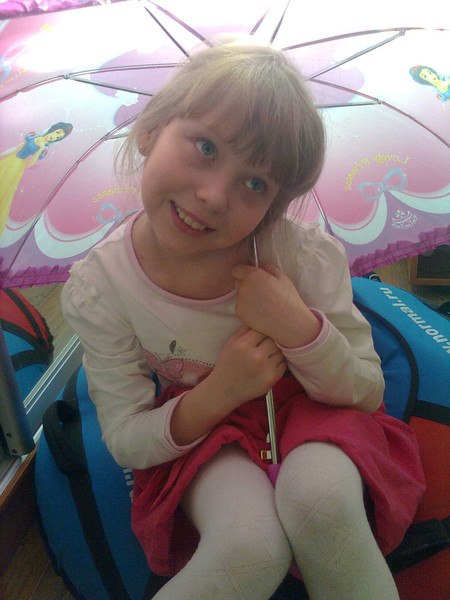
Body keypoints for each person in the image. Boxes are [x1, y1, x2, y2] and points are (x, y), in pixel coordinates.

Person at [62, 42, 425, 600]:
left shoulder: (300, 256)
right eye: (206, 147)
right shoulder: (100, 287)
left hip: (314, 407)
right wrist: (223, 389)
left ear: (274, 206)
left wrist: (297, 327)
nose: (212, 196)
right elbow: (128, 439)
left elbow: (365, 388)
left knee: (319, 500)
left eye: (255, 183)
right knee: (249, 545)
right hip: (205, 425)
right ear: (150, 129)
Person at [0, 122, 73, 235]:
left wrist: (40, 148)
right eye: (57, 133)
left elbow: (30, 163)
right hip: (9, 160)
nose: (55, 136)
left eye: (59, 137)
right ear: (53, 129)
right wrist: (2, 155)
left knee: (3, 188)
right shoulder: (34, 135)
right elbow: (17, 148)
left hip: (17, 167)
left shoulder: (44, 149)